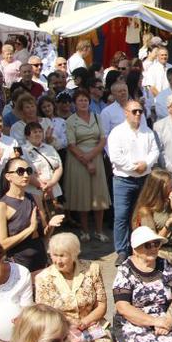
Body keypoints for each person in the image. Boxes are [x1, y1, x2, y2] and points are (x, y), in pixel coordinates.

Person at [34, 233, 117, 342]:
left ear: (74, 254)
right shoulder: (44, 278)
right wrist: (67, 326)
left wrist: (84, 322)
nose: (57, 260)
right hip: (59, 330)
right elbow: (44, 312)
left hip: (91, 325)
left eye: (62, 255)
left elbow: (102, 305)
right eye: (54, 255)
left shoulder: (92, 269)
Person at [108, 99, 158, 264]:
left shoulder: (147, 131)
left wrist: (146, 164)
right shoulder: (117, 132)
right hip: (123, 180)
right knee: (122, 216)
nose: (138, 114)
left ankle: (141, 246)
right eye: (134, 111)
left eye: (140, 111)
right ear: (126, 113)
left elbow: (154, 151)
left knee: (141, 215)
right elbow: (115, 157)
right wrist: (133, 167)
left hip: (144, 178)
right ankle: (122, 250)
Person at [0, 157, 64, 272]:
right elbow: (2, 244)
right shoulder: (2, 206)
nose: (26, 175)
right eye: (20, 171)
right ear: (8, 176)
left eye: (28, 171)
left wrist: (51, 225)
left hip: (40, 259)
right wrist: (30, 229)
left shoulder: (35, 198)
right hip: (18, 264)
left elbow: (44, 235)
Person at [64, 88, 110, 243]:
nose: (83, 103)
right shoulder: (71, 120)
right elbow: (71, 144)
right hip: (78, 160)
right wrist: (86, 160)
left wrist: (92, 156)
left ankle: (99, 231)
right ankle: (84, 231)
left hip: (96, 157)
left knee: (99, 195)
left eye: (85, 100)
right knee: (82, 196)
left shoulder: (97, 117)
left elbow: (103, 139)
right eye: (80, 100)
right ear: (75, 103)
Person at [132, 168, 172, 288]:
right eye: (168, 185)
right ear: (159, 188)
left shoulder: (171, 204)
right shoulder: (146, 210)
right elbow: (152, 242)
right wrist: (167, 225)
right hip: (161, 253)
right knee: (163, 291)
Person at [21, 121, 63, 203]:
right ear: (27, 136)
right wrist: (42, 186)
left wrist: (51, 183)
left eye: (40, 131)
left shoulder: (50, 148)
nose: (38, 134)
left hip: (53, 192)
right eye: (34, 132)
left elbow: (59, 167)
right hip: (34, 193)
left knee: (55, 214)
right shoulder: (22, 151)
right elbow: (25, 171)